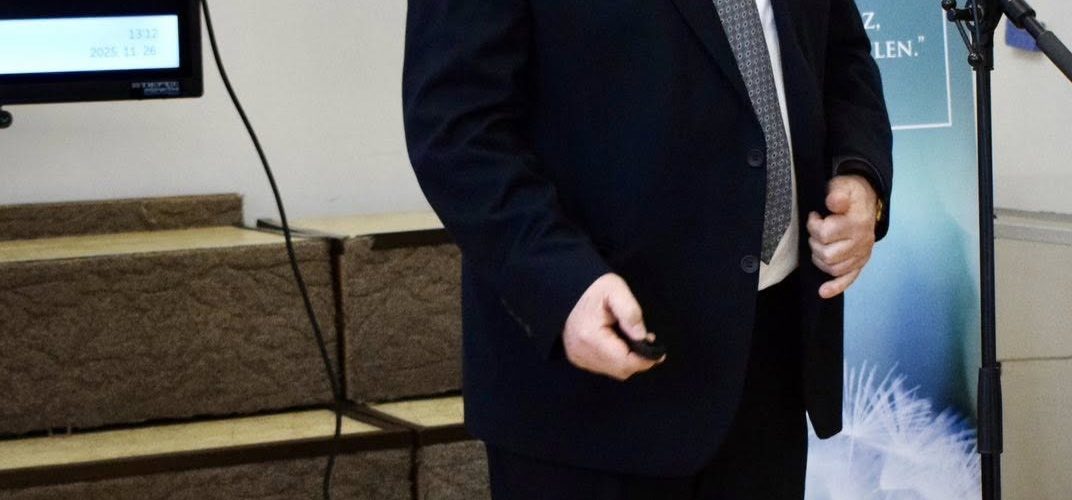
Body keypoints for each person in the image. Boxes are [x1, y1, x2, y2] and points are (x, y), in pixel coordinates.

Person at [402, 0, 892, 498]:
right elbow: (454, 128)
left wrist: (860, 170)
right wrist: (561, 282)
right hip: (594, 388)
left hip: (768, 365)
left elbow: (841, 51)